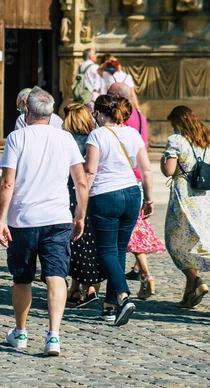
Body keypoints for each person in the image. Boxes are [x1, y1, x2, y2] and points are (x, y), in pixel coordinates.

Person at [0, 87, 88, 356]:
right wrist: (80, 215)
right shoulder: (66, 139)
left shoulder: (16, 138)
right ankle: (54, 336)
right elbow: (80, 181)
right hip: (58, 217)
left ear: (26, 110)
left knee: (22, 279)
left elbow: (6, 182)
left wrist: (1, 218)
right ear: (50, 113)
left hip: (23, 219)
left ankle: (21, 332)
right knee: (56, 276)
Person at [84, 95, 154, 326]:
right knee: (119, 251)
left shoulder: (97, 135)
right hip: (131, 194)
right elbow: (146, 170)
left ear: (101, 113)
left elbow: (91, 171)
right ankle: (109, 306)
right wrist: (149, 199)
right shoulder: (133, 134)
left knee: (106, 252)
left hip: (105, 195)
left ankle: (123, 296)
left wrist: (81, 200)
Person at [161, 106, 210, 308]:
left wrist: (165, 161)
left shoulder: (176, 140)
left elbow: (169, 171)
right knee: (193, 242)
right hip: (202, 199)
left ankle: (196, 280)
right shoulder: (207, 138)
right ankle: (190, 291)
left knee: (175, 243)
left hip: (183, 198)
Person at [108, 82, 164, 299]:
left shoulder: (123, 118)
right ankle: (139, 271)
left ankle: (145, 274)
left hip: (124, 177)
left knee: (129, 233)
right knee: (134, 229)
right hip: (137, 178)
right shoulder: (139, 115)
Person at [63, 103, 103, 308]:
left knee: (74, 242)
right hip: (94, 193)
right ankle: (84, 287)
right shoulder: (94, 137)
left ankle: (80, 289)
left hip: (73, 192)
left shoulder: (67, 139)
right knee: (88, 242)